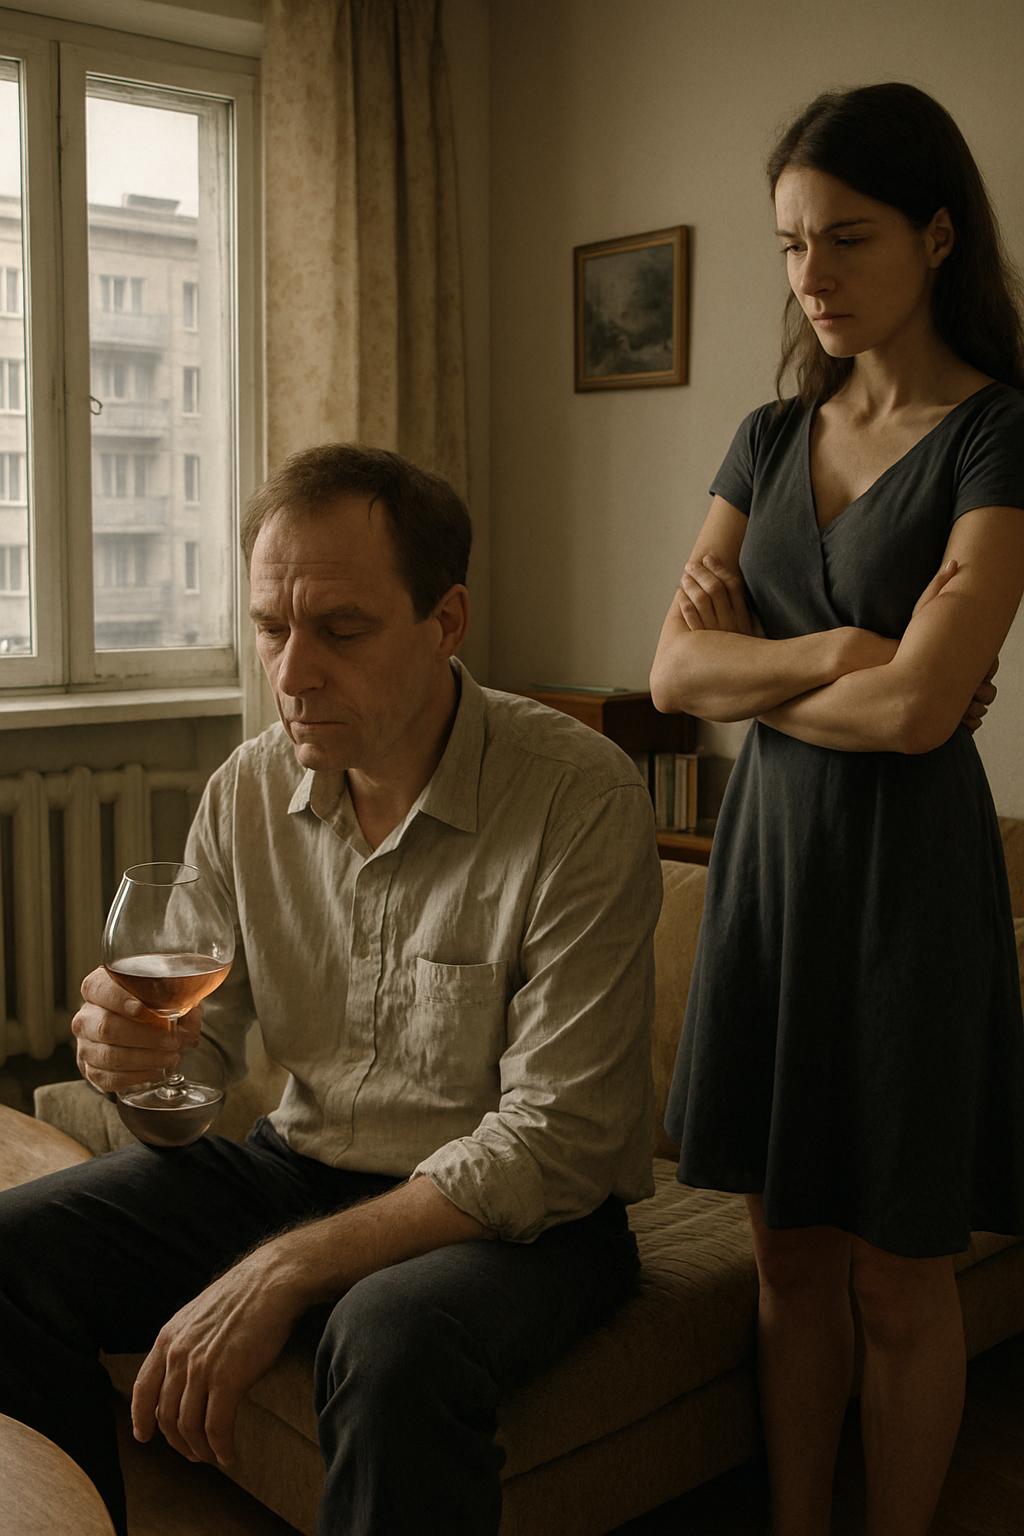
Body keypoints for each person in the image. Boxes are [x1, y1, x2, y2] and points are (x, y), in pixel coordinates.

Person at [0, 445, 663, 1536]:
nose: (293, 673)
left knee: (388, 1338)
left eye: (341, 630)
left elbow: (557, 1139)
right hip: (295, 1169)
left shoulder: (575, 795)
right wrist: (135, 1065)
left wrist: (286, 1269)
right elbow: (199, 1075)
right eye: (271, 628)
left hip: (524, 1224)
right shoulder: (249, 789)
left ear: (446, 622)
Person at [650, 83, 1024, 1536]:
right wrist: (846, 652)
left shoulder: (997, 435)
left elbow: (925, 714)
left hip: (906, 890)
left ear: (937, 236)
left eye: (846, 238)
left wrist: (770, 668)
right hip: (770, 877)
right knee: (785, 1258)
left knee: (896, 1276)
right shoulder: (764, 436)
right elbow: (674, 675)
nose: (811, 275)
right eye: (791, 245)